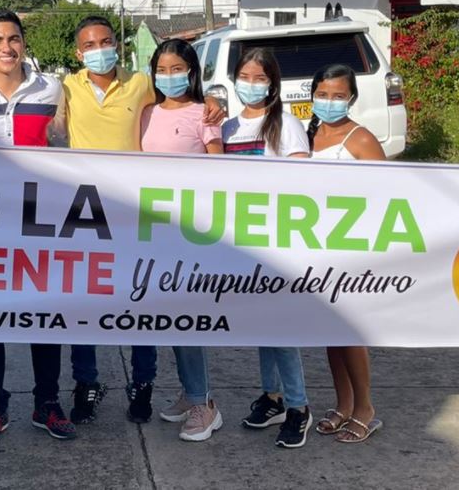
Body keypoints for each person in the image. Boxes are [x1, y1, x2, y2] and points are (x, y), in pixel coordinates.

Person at [58, 16, 224, 425]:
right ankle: (86, 383)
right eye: (90, 44)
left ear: (118, 44)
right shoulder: (65, 86)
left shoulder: (141, 84)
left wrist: (218, 103)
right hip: (87, 212)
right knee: (85, 303)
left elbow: (187, 103)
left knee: (141, 299)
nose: (100, 49)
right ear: (78, 53)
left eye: (106, 41)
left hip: (138, 212)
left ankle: (143, 383)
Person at [0, 10, 75, 443]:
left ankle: (48, 403)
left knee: (45, 314)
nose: (6, 47)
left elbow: (69, 143)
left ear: (24, 42)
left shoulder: (51, 88)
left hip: (38, 219)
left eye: (13, 38)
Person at [222, 47, 313, 449]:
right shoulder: (226, 128)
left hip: (279, 242)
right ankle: (272, 396)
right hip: (242, 242)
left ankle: (298, 406)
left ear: (273, 83)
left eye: (260, 78)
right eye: (245, 76)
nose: (252, 85)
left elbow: (302, 187)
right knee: (261, 325)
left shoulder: (287, 125)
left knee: (280, 327)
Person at [138, 39, 225, 443]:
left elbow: (217, 170)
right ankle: (191, 393)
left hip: (190, 230)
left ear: (192, 71)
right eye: (163, 69)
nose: (170, 76)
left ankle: (205, 404)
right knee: (167, 318)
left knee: (188, 319)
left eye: (178, 68)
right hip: (152, 229)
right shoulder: (146, 113)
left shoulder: (203, 114)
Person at [305, 64, 385, 444]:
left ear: (351, 98)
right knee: (329, 332)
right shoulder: (309, 134)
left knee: (349, 332)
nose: (330, 102)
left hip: (352, 251)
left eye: (339, 95)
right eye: (323, 94)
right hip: (316, 249)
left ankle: (365, 408)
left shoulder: (361, 140)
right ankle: (344, 404)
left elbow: (389, 195)